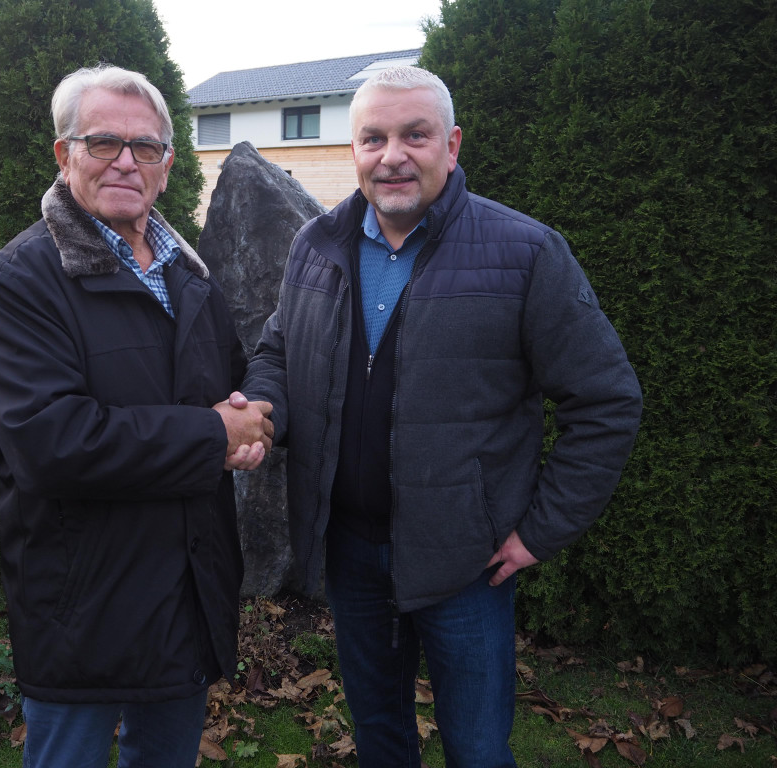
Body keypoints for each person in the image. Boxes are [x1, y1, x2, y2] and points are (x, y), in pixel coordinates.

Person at [238, 65, 642, 767]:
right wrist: (263, 409)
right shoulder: (316, 247)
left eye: (415, 135)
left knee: (477, 749)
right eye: (373, 138)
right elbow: (278, 348)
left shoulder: (524, 253)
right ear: (354, 150)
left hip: (467, 565)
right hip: (349, 553)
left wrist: (539, 532)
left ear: (451, 146)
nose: (392, 156)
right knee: (380, 738)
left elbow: (606, 400)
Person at [0, 64, 273, 768]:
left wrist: (253, 416)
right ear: (64, 154)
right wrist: (214, 435)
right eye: (103, 142)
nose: (125, 162)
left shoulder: (187, 274)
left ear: (166, 166)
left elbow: (232, 382)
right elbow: (53, 442)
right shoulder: (23, 279)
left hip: (186, 590)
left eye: (145, 147)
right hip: (84, 605)